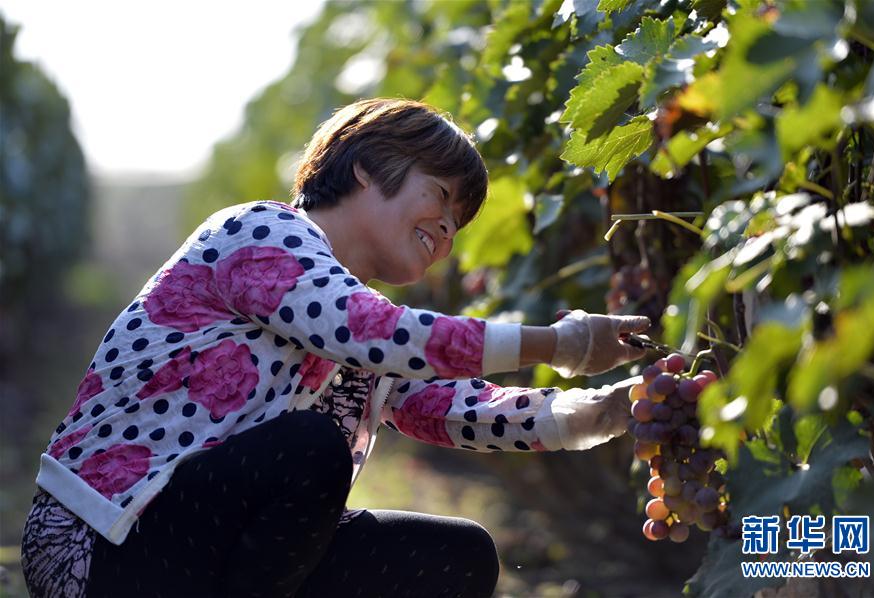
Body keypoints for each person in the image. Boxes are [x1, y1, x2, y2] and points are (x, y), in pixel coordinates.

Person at [20, 98, 650, 598]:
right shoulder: (260, 234)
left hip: (202, 556)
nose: (446, 228)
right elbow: (373, 331)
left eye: (457, 222)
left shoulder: (361, 331)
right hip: (101, 545)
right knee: (311, 449)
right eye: (439, 195)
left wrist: (604, 413)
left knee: (459, 557)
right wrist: (563, 343)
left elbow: (454, 408)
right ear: (367, 168)